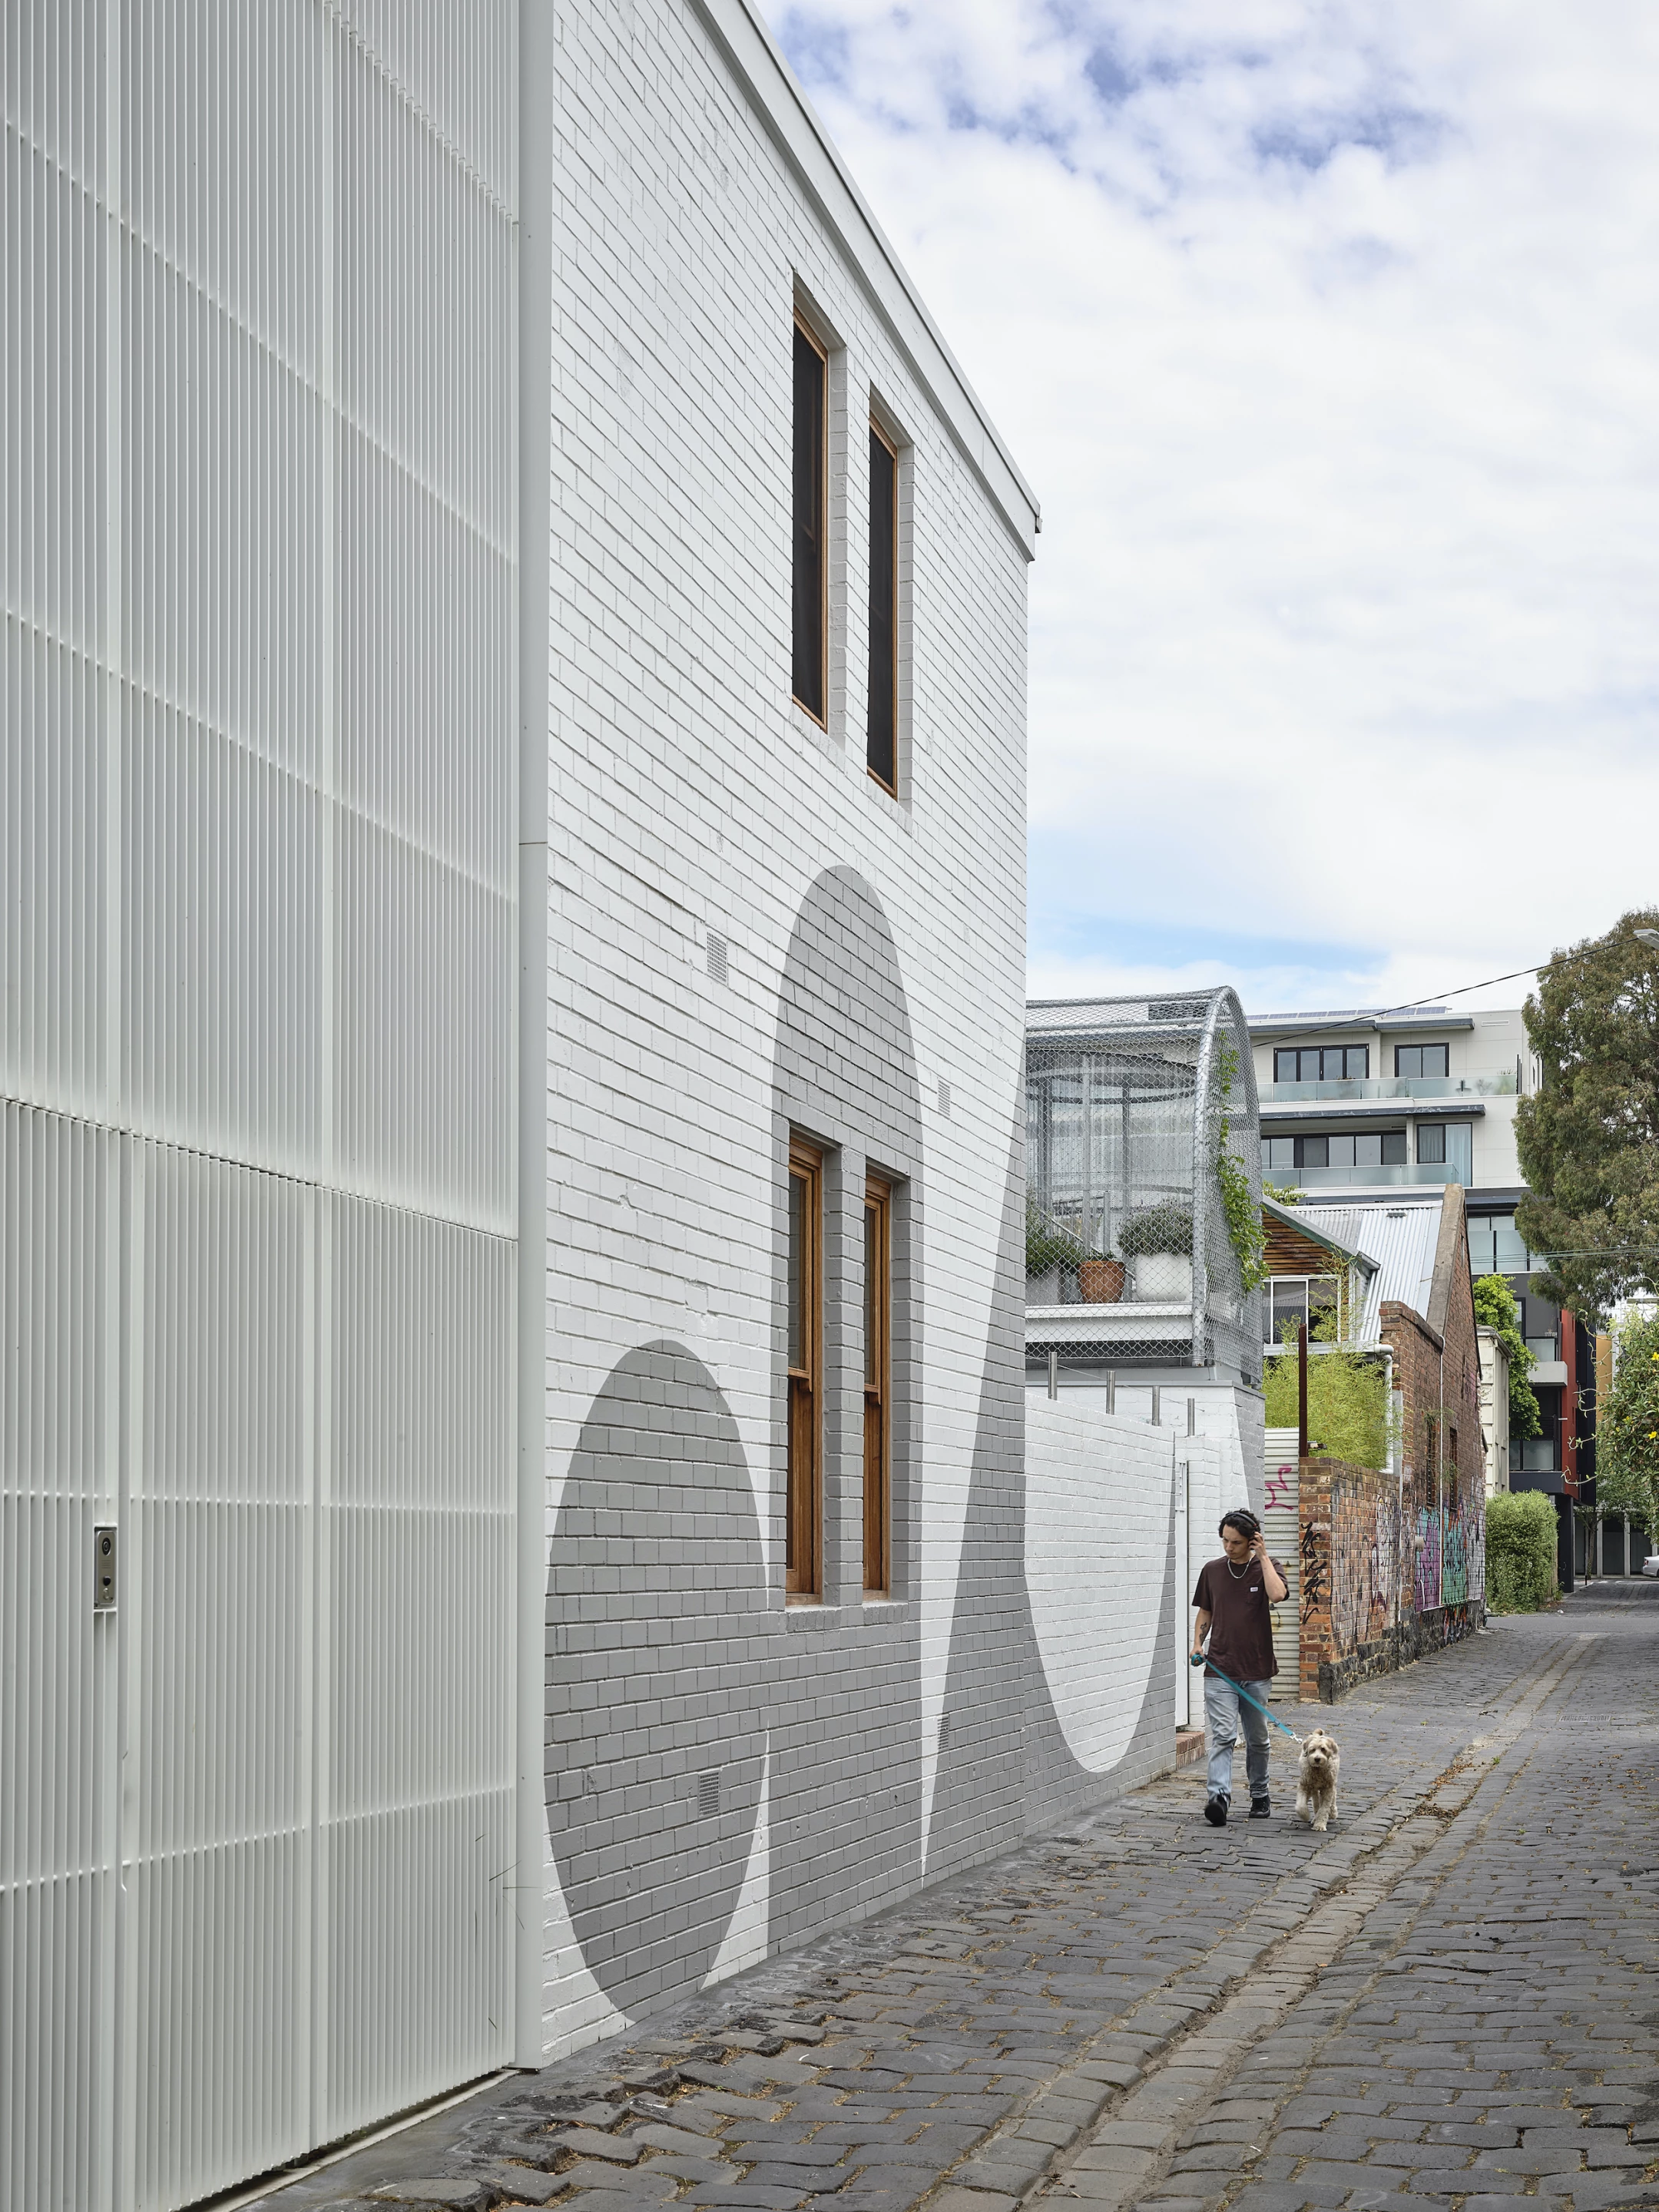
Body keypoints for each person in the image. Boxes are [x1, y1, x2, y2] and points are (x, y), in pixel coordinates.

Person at [1190, 1507, 1287, 1827]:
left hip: (1256, 1671)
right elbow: (1206, 1611)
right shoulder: (1212, 1570)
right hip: (1219, 1668)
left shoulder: (1267, 1567)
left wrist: (1263, 1557)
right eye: (1225, 1540)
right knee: (1223, 1736)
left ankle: (1260, 1793)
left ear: (1252, 1540)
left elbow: (1278, 1595)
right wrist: (1197, 1643)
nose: (1229, 1547)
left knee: (1258, 1739)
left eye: (1236, 1542)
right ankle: (1219, 1798)